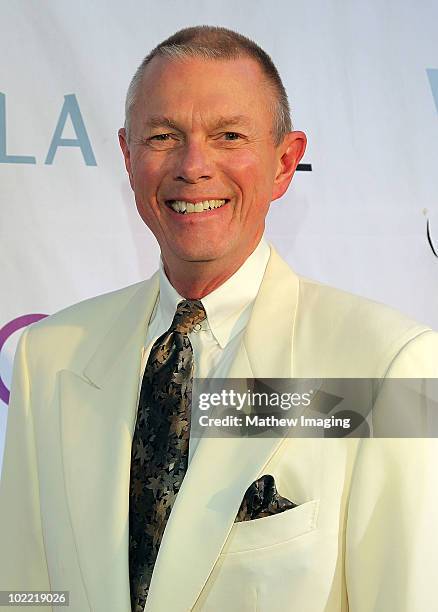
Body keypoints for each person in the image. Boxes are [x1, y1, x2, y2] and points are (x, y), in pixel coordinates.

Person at [1, 25, 438, 612]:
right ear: (128, 157)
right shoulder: (50, 355)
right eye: (162, 136)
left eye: (229, 136)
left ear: (285, 163)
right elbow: (30, 594)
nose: (194, 166)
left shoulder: (388, 366)